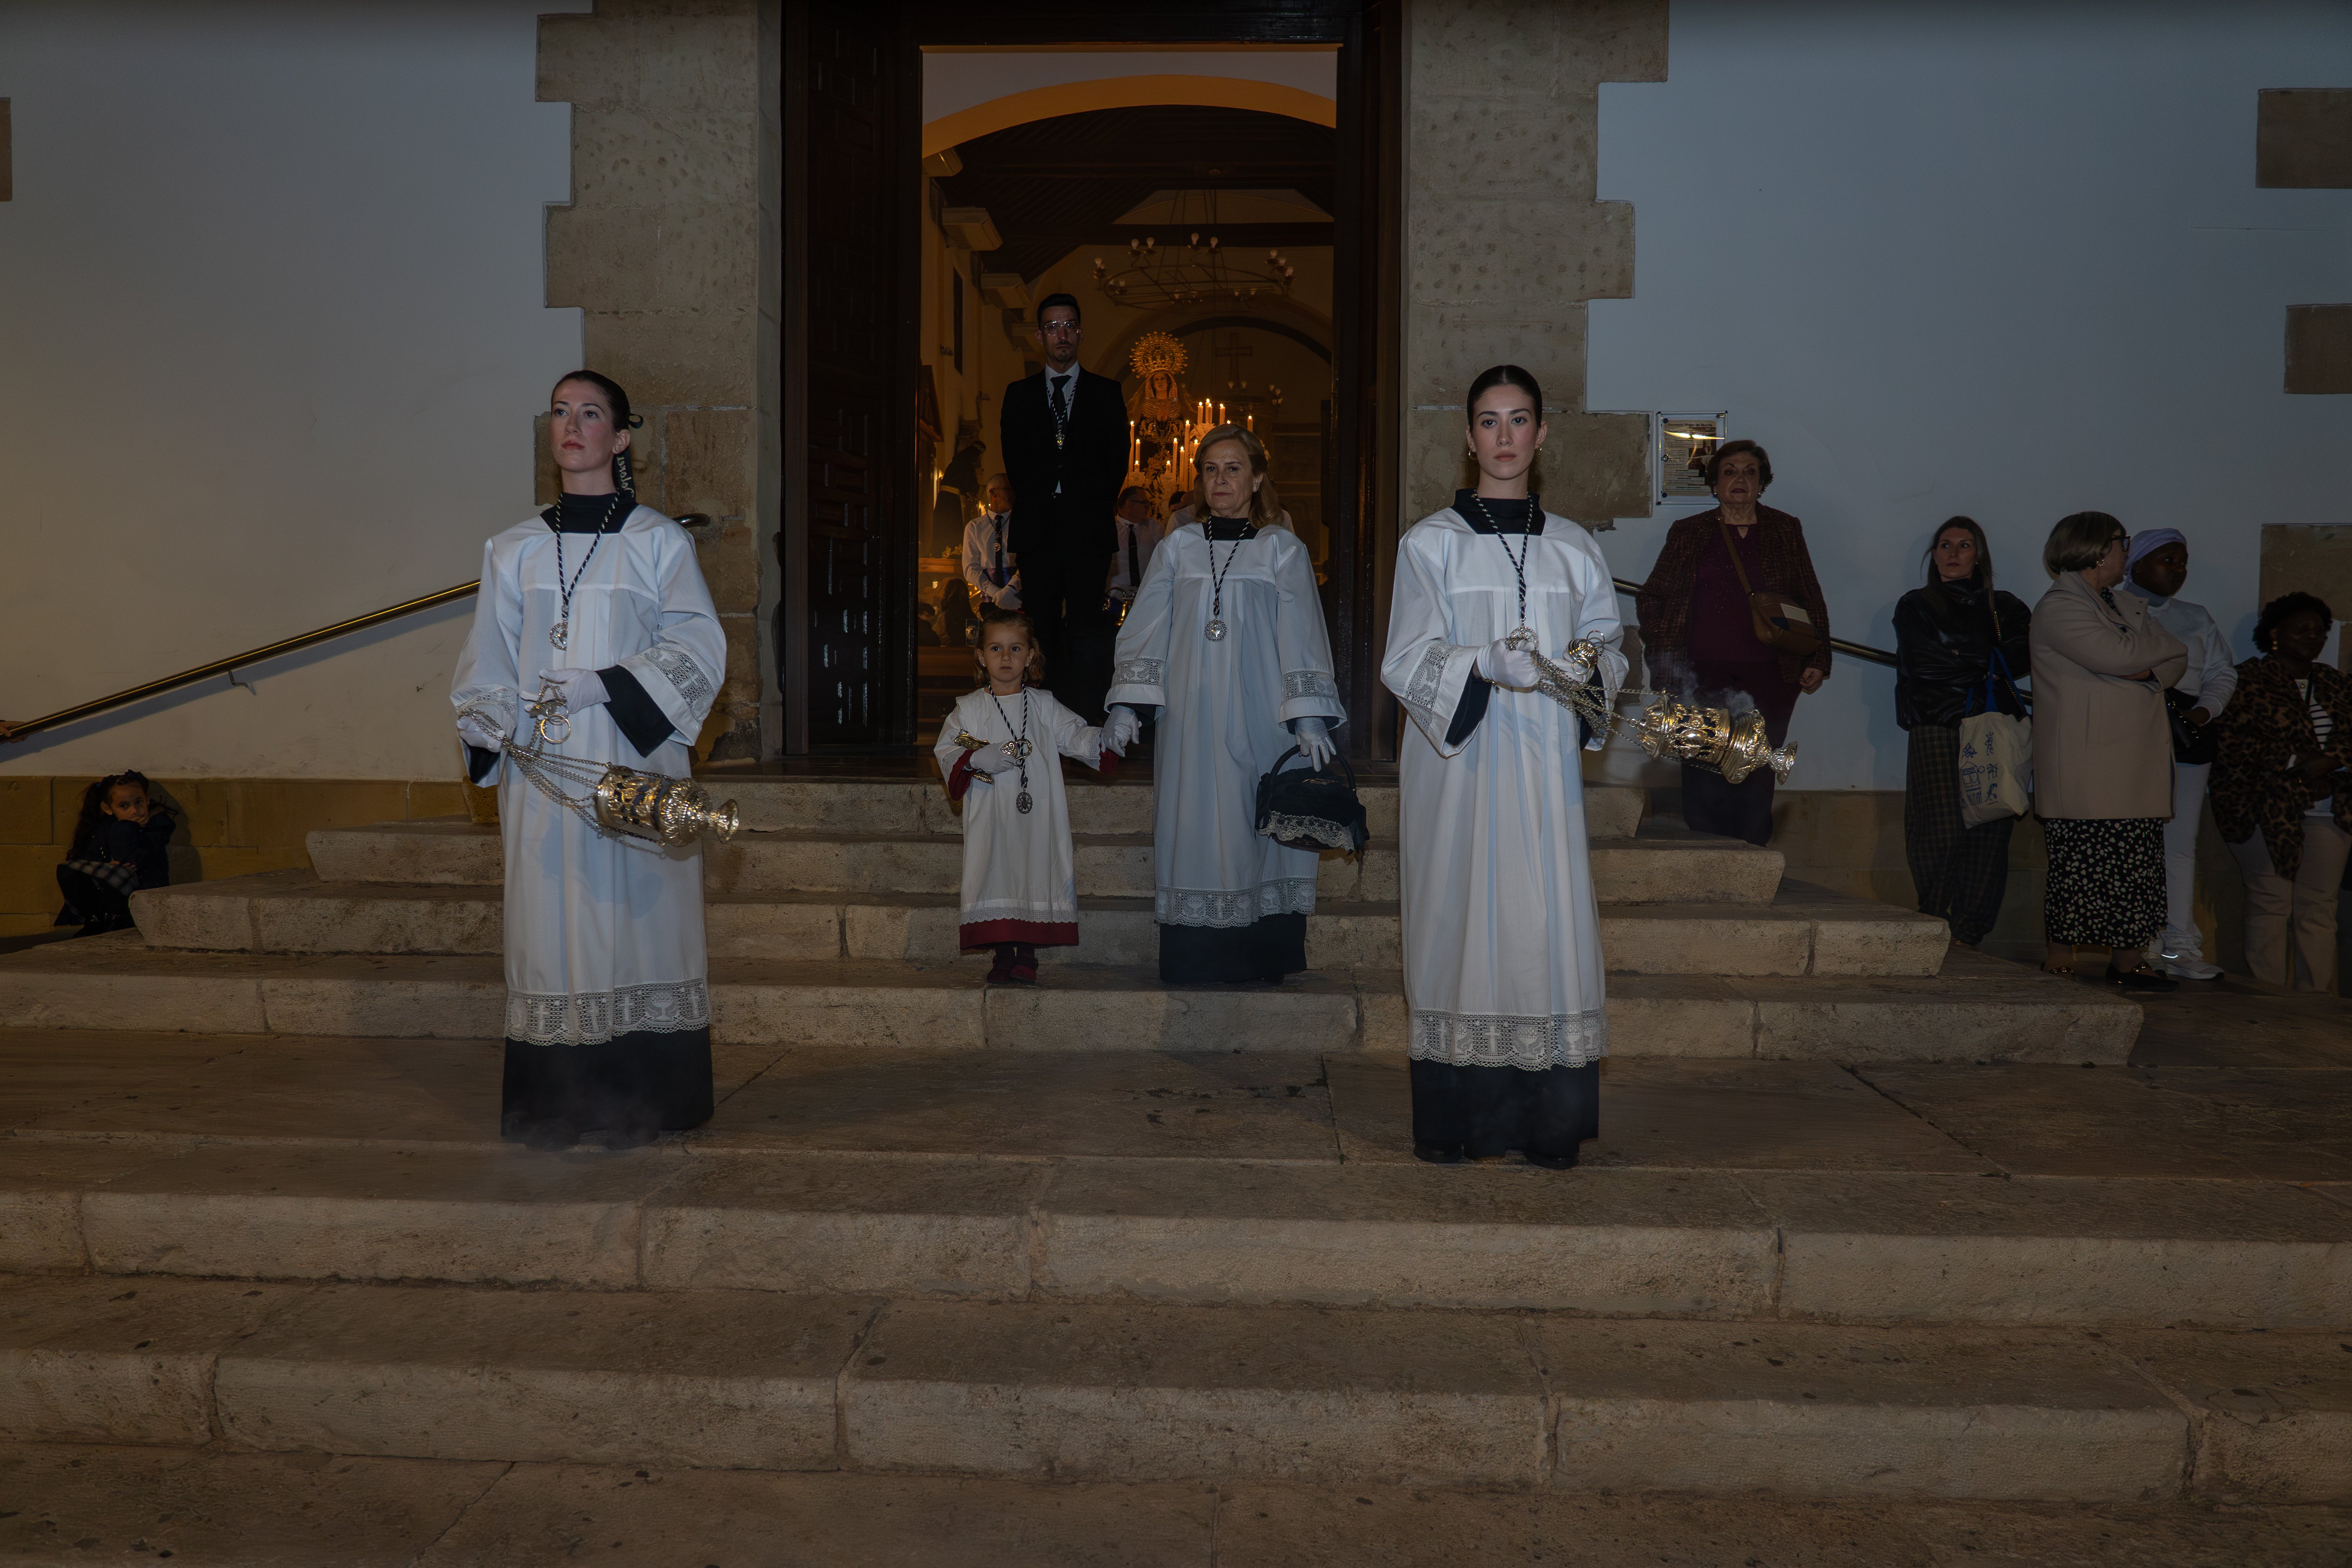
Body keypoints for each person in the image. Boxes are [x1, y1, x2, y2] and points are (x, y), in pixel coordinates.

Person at [451, 370, 728, 1151]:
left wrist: (606, 684)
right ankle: (558, 1103)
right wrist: (486, 721)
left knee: (641, 918)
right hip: (547, 775)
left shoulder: (658, 543)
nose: (572, 425)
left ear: (622, 435)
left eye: (592, 413)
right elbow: (484, 669)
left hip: (633, 762)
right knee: (555, 925)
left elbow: (702, 649)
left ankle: (652, 1095)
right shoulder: (510, 551)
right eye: (561, 412)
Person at [1381, 365, 1627, 1168]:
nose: (1505, 436)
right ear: (1467, 436)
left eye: (1520, 420)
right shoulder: (1430, 545)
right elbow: (1406, 657)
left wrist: (1588, 669)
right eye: (1488, 421)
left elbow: (1610, 647)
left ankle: (1548, 1125)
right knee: (1459, 920)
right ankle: (1456, 1124)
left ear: (1542, 434)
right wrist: (1481, 661)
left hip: (1544, 769)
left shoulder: (1574, 548)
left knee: (1541, 925)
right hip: (1460, 769)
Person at [1103, 425, 1343, 983]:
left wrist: (1308, 712)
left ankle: (1262, 956)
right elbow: (1146, 630)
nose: (1221, 480)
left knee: (1255, 827)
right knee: (1196, 825)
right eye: (1211, 470)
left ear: (1257, 479)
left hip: (1265, 716)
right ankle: (1196, 959)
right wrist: (1127, 707)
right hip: (1191, 718)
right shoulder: (1178, 548)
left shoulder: (1282, 549)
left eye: (1233, 469)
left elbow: (1302, 633)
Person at [1633, 439, 1831, 845]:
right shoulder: (1690, 533)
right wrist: (1666, 657)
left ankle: (1752, 863)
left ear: (1762, 483)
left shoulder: (1785, 529)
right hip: (1701, 675)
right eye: (1729, 472)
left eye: (1749, 472)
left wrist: (1819, 655)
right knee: (1704, 771)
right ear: (1715, 484)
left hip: (1770, 677)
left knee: (1756, 772)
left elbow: (1809, 594)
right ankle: (1708, 858)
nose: (1739, 480)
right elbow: (1653, 597)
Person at [2028, 511, 2187, 993]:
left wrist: (2147, 670)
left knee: (2136, 865)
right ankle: (2060, 955)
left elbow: (2177, 654)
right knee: (2082, 863)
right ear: (2097, 549)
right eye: (2122, 543)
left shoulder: (2123, 603)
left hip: (2133, 759)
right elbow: (2115, 658)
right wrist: (2139, 662)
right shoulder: (2060, 606)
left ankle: (2129, 961)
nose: (2126, 551)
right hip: (2090, 759)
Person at [934, 606, 1122, 985]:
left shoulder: (1044, 706)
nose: (1006, 657)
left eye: (1016, 649)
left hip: (1038, 812)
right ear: (981, 656)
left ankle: (1028, 955)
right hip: (992, 811)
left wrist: (1108, 739)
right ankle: (1003, 953)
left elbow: (1076, 736)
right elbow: (950, 748)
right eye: (996, 649)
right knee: (997, 870)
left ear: (1031, 655)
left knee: (1035, 866)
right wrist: (979, 756)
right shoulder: (969, 709)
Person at [1893, 517, 2033, 950]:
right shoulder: (1916, 604)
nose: (1953, 553)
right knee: (1938, 829)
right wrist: (1984, 659)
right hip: (1936, 722)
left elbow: (2024, 656)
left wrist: (1961, 657)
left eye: (1965, 545)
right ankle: (1933, 920)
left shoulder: (2007, 607)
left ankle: (1969, 934)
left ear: (1980, 555)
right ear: (1934, 555)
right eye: (1945, 545)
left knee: (1990, 830)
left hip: (1993, 724)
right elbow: (1924, 663)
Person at [2211, 592, 2351, 992]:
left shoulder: (2335, 683)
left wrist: (2333, 759)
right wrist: (2296, 763)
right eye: (2301, 628)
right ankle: (2268, 999)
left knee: (2319, 910)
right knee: (2270, 902)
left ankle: (2318, 1003)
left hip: (2329, 809)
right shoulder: (2248, 679)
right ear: (2274, 633)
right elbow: (2234, 744)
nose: (2313, 636)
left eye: (2320, 630)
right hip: (2265, 808)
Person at [998, 295, 1131, 714]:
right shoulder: (1018, 395)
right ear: (1040, 336)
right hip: (1038, 530)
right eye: (1053, 327)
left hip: (1088, 529)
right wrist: (1047, 502)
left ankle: (1086, 717)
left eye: (1070, 326)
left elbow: (1117, 462)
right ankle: (1041, 717)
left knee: (1087, 628)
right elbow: (1015, 461)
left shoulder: (1106, 393)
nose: (1062, 334)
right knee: (1040, 627)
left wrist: (1081, 504)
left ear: (1080, 333)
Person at [2119, 528, 2238, 979]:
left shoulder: (2196, 616)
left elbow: (2222, 672)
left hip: (2189, 730)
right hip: (2135, 730)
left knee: (2180, 842)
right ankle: (2140, 941)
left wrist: (2205, 713)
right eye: (2168, 559)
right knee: (2136, 838)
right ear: (2138, 564)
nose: (2179, 569)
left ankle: (2179, 945)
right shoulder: (2113, 607)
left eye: (2183, 561)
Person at [54, 771, 174, 936]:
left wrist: (128, 827)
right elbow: (90, 855)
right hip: (107, 889)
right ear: (108, 808)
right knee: (67, 870)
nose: (134, 811)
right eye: (124, 806)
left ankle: (122, 919)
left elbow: (138, 857)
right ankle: (95, 920)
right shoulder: (104, 826)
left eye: (139, 802)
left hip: (141, 887)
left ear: (147, 799)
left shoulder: (157, 824)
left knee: (113, 874)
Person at [960, 474, 1021, 614]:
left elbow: (1029, 560)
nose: (1013, 494)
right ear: (993, 493)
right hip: (989, 601)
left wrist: (1012, 589)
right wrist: (995, 593)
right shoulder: (975, 527)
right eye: (1008, 489)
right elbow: (971, 568)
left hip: (1019, 599)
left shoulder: (1020, 524)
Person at [1105, 486, 1162, 619]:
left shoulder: (1155, 527)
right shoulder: (1110, 527)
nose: (1148, 507)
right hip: (1113, 595)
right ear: (1129, 504)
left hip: (1145, 596)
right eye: (1145, 503)